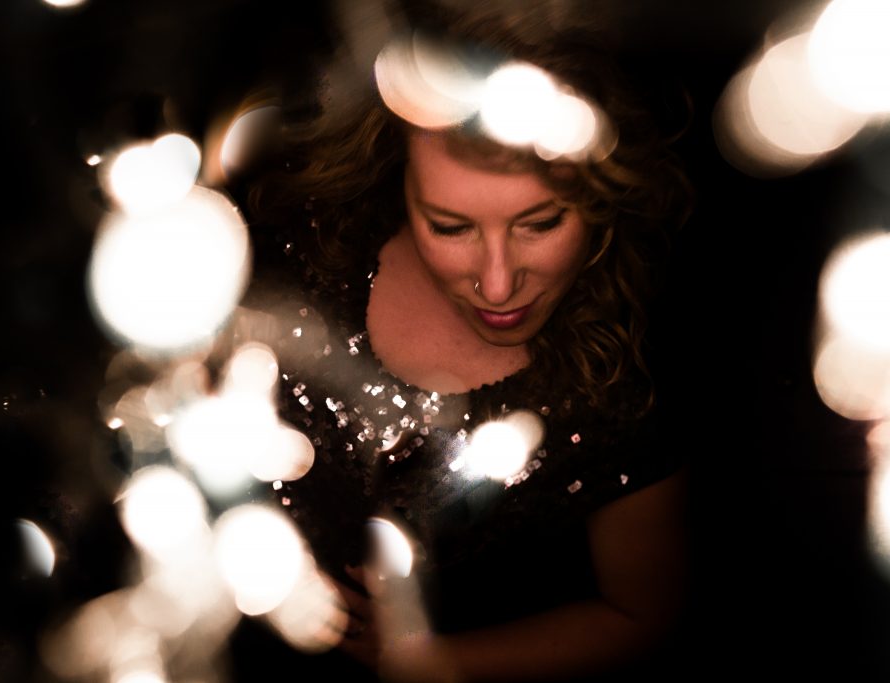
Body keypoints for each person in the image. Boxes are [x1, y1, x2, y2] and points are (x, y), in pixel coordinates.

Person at [234, 3, 692, 681]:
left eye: (540, 223)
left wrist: (430, 661)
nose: (498, 285)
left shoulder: (626, 380)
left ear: (603, 193)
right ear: (398, 173)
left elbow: (643, 614)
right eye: (451, 227)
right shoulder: (304, 251)